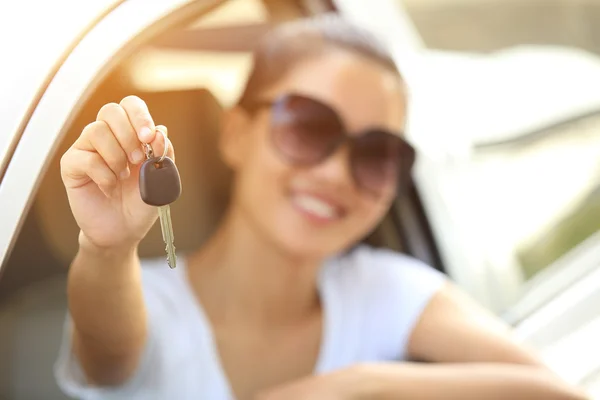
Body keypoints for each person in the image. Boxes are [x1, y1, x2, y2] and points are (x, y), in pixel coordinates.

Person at [54, 13, 588, 400]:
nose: (335, 172)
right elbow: (108, 363)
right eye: (308, 126)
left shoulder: (382, 290)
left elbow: (558, 393)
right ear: (236, 132)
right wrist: (109, 246)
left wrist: (363, 387)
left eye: (377, 153)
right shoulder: (141, 297)